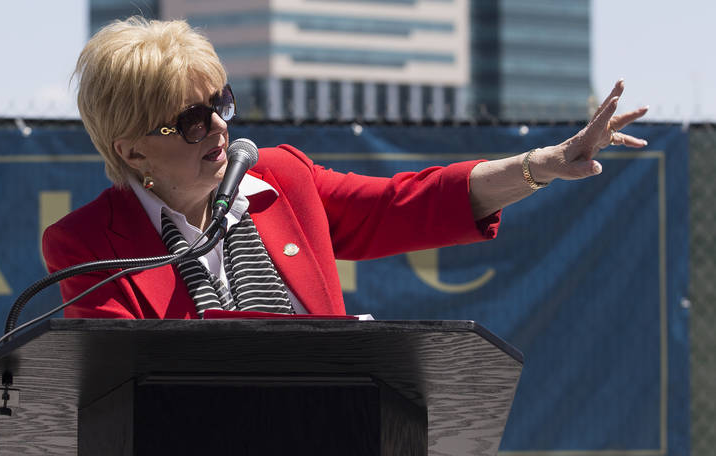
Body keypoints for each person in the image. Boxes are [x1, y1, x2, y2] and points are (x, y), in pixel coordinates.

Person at [43, 17, 648, 319]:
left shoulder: (281, 178)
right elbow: (125, 389)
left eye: (220, 103)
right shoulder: (87, 245)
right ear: (132, 150)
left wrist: (541, 164)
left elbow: (402, 205)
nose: (220, 127)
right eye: (192, 121)